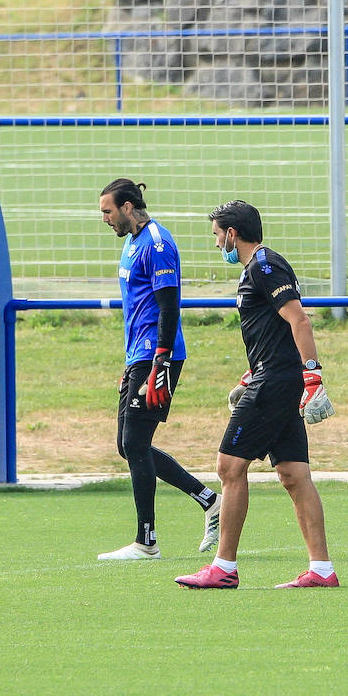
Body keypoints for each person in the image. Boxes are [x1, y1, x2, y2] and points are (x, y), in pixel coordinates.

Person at [175, 200, 339, 589]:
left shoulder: (265, 265)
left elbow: (299, 319)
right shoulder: (258, 267)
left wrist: (312, 376)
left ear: (232, 233)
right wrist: (251, 374)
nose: (216, 244)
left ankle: (224, 568)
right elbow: (274, 331)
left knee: (229, 468)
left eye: (217, 235)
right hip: (271, 377)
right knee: (293, 474)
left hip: (278, 382)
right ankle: (322, 571)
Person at [96, 179, 221, 561]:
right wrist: (131, 363)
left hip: (158, 356)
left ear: (129, 207)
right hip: (139, 356)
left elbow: (169, 308)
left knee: (134, 443)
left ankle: (146, 541)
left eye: (108, 211)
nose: (105, 219)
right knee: (128, 445)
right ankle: (210, 502)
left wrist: (159, 363)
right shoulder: (132, 244)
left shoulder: (157, 244)